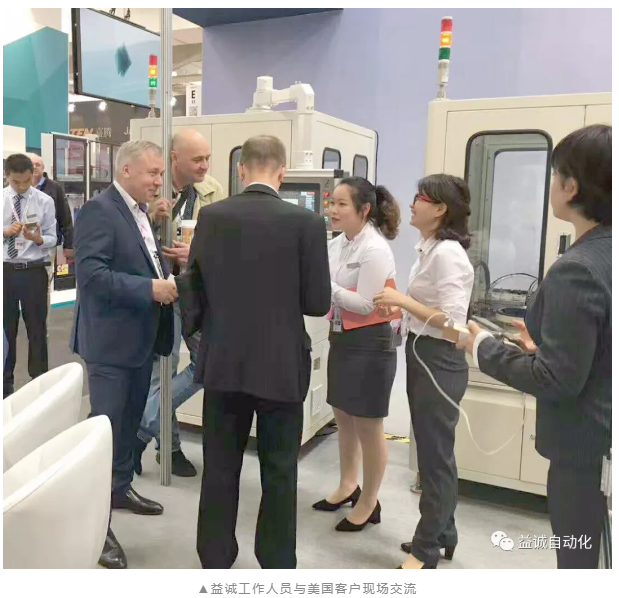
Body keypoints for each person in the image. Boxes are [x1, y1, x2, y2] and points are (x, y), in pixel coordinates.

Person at [458, 124, 612, 569]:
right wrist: (544, 347)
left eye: (554, 175)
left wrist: (481, 345)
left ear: (571, 187)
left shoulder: (577, 269)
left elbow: (556, 379)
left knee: (579, 563)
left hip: (585, 454)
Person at [188, 135, 331, 569]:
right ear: (282, 173)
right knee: (281, 469)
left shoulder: (211, 217)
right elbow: (317, 303)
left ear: (240, 169)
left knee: (220, 466)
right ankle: (276, 560)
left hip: (224, 361)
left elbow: (195, 289)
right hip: (281, 365)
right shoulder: (306, 223)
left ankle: (215, 555)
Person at [71, 139, 176, 569]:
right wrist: (151, 288)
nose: (158, 181)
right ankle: (95, 530)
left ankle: (118, 490)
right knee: (106, 433)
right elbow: (91, 276)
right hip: (110, 345)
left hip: (138, 341)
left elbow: (135, 260)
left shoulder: (138, 211)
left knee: (128, 427)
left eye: (160, 173)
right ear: (126, 170)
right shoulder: (99, 210)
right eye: (152, 173)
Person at [374, 174, 474, 569]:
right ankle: (443, 531)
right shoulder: (430, 249)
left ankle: (426, 548)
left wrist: (403, 301)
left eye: (421, 198)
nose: (412, 204)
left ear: (440, 209)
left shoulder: (447, 253)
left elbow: (454, 324)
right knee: (436, 454)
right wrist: (402, 308)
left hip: (439, 359)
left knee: (434, 458)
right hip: (424, 354)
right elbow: (430, 309)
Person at [311, 177, 401, 534]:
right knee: (343, 415)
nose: (332, 210)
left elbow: (365, 304)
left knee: (368, 424)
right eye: (331, 203)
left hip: (371, 343)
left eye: (341, 204)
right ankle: (348, 484)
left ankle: (369, 500)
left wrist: (326, 286)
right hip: (343, 338)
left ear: (364, 210)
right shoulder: (337, 244)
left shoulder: (374, 249)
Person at [135, 128, 225, 477]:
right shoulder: (149, 189)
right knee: (163, 373)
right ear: (175, 159)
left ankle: (139, 432)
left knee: (206, 363)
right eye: (197, 159)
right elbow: (128, 239)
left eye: (207, 158)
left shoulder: (212, 191)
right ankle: (169, 448)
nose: (204, 165)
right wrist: (151, 217)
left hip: (194, 290)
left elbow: (223, 240)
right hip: (161, 292)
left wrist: (197, 253)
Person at [3, 154, 57, 397]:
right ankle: (5, 385)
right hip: (5, 272)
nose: (22, 187)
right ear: (6, 175)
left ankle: (39, 384)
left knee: (37, 329)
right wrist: (5, 232)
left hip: (34, 270)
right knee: (6, 331)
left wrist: (39, 239)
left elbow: (53, 237)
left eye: (27, 181)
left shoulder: (44, 201)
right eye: (16, 182)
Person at [27, 153, 74, 328]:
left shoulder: (54, 188)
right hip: (22, 245)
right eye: (31, 164)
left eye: (38, 164)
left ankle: (41, 325)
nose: (34, 167)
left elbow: (65, 216)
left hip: (47, 243)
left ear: (43, 168)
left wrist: (69, 245)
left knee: (43, 284)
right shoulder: (17, 187)